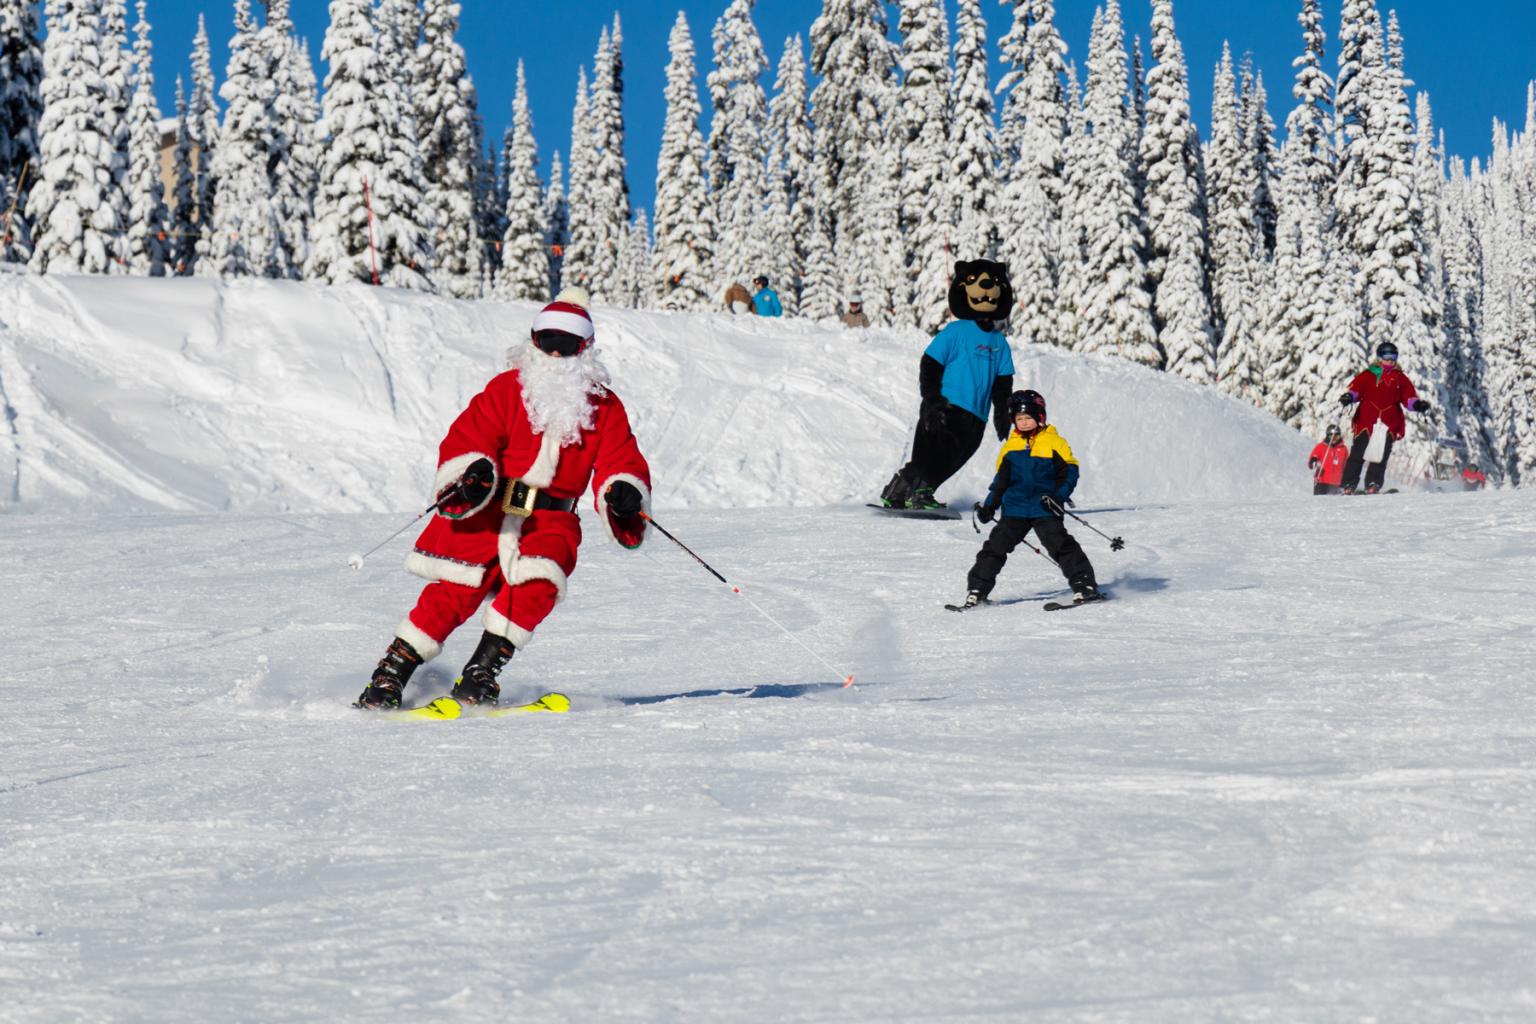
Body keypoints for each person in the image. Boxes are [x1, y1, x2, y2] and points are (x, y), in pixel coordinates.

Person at [355, 289, 653, 709]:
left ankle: (480, 674)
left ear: (585, 348)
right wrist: (471, 471)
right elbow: (470, 436)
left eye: (566, 344)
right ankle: (389, 675)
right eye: (546, 341)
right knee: (455, 591)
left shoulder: (604, 408)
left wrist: (623, 490)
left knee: (537, 587)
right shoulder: (506, 389)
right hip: (489, 511)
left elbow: (621, 459)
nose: (555, 352)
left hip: (549, 522)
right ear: (533, 342)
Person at [879, 259, 1015, 510]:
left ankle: (900, 489)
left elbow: (1003, 384)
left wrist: (1002, 413)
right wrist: (931, 398)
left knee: (957, 456)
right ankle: (920, 492)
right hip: (947, 405)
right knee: (937, 453)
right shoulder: (956, 331)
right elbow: (930, 364)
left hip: (977, 415)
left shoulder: (1000, 343)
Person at [957, 389, 1100, 609]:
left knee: (1061, 545)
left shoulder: (1054, 442)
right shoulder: (1010, 447)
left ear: (1039, 417)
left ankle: (1085, 586)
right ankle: (977, 591)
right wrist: (990, 506)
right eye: (1019, 418)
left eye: (1028, 417)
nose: (1023, 423)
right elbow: (1001, 482)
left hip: (1044, 507)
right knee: (994, 548)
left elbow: (1069, 473)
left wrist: (1057, 497)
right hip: (1014, 509)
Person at [1338, 341, 1432, 494]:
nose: (1390, 361)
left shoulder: (1400, 378)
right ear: (1380, 358)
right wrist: (1349, 397)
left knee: (1381, 455)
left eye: (1393, 357)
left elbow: (1408, 398)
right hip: (1366, 420)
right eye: (1387, 357)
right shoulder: (1368, 375)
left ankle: (1373, 483)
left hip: (1389, 422)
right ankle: (1348, 484)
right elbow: (1356, 390)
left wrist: (1417, 405)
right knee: (1358, 453)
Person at [1309, 425, 1349, 495]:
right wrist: (1313, 461)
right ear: (1327, 436)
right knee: (1319, 500)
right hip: (1321, 481)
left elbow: (1346, 464)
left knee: (1332, 501)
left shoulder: (1343, 449)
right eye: (1332, 437)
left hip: (1336, 483)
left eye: (1336, 437)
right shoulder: (1321, 446)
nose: (1334, 439)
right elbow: (1313, 457)